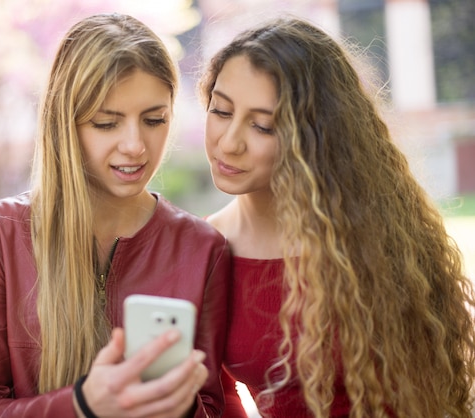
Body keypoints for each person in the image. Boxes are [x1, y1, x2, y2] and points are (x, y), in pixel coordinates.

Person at [0, 13, 231, 418]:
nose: (135, 145)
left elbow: (214, 406)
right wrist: (82, 405)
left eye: (154, 120)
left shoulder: (203, 248)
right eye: (106, 123)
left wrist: (179, 406)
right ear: (65, 123)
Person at [198, 16, 475, 418]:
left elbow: (427, 392)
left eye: (263, 125)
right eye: (220, 111)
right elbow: (215, 399)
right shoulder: (204, 250)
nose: (228, 142)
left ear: (313, 136)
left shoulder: (372, 235)